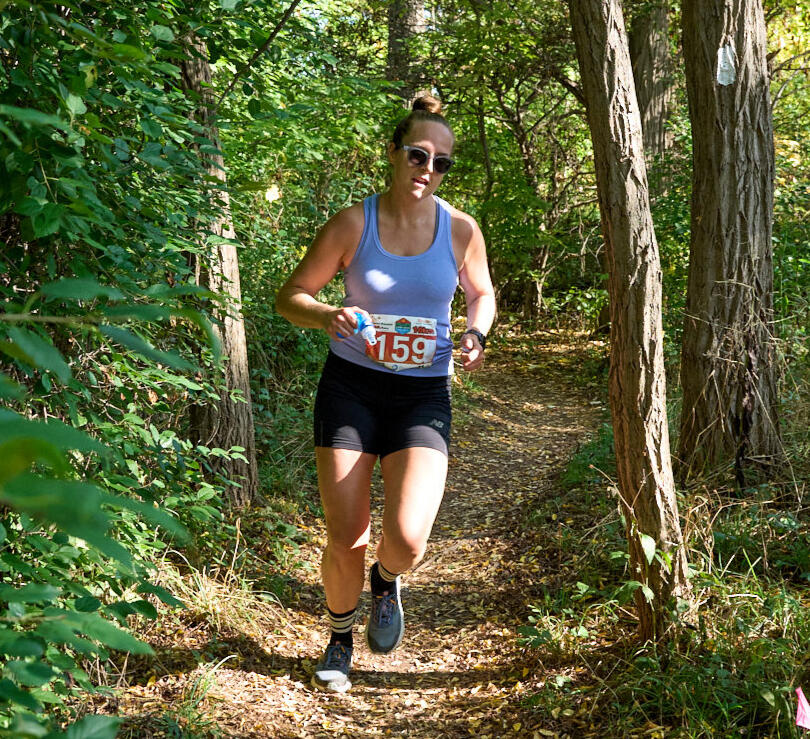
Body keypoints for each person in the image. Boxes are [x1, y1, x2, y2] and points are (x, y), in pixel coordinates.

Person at [275, 95, 496, 693]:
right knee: (344, 533)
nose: (428, 168)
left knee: (407, 538)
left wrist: (475, 332)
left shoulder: (460, 229)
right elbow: (289, 295)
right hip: (350, 388)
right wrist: (327, 316)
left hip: (423, 393)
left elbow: (481, 293)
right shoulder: (354, 223)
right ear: (394, 155)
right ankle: (340, 637)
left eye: (441, 162)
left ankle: (387, 580)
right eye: (418, 155)